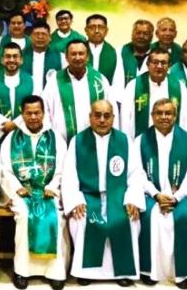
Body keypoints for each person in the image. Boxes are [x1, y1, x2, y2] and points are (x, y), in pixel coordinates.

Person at [61, 100, 145, 286]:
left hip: (118, 196)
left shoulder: (124, 141)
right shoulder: (78, 141)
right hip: (88, 196)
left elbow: (135, 174)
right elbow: (69, 176)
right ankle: (86, 271)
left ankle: (122, 271)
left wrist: (132, 199)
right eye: (97, 115)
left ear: (113, 118)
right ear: (90, 117)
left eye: (107, 116)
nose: (102, 120)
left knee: (127, 219)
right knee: (82, 219)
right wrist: (76, 200)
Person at [134, 99, 187, 288]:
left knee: (184, 217)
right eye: (159, 113)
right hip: (151, 195)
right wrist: (156, 195)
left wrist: (177, 197)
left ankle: (182, 272)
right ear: (152, 116)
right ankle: (150, 271)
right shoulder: (141, 140)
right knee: (150, 217)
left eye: (168, 113)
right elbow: (137, 173)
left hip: (181, 195)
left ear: (175, 116)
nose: (164, 117)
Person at [0, 95, 68, 289]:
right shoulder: (12, 139)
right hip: (22, 192)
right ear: (22, 114)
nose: (33, 117)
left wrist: (52, 187)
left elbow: (62, 169)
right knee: (24, 215)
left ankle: (55, 272)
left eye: (37, 112)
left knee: (57, 216)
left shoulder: (55, 139)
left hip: (49, 191)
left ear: (43, 113)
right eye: (28, 113)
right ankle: (22, 272)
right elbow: (5, 170)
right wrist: (16, 188)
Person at [42, 40, 117, 142]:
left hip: (94, 143)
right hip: (62, 143)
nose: (77, 58)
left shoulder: (100, 80)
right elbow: (45, 110)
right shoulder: (54, 81)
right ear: (66, 57)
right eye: (73, 54)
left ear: (87, 57)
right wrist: (52, 139)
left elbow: (111, 110)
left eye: (81, 54)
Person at [121, 47, 187, 137]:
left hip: (172, 141)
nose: (159, 66)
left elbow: (186, 119)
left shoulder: (179, 87)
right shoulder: (133, 86)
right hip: (142, 141)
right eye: (155, 62)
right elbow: (125, 119)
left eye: (163, 63)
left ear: (169, 65)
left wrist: (186, 140)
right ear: (148, 64)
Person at [0, 42, 34, 143]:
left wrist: (16, 124)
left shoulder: (32, 81)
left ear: (21, 60)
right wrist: (6, 125)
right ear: (2, 60)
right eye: (8, 56)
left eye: (15, 56)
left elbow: (35, 108)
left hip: (25, 134)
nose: (11, 60)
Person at [85, 14, 125, 88]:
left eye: (100, 27)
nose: (96, 31)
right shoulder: (78, 51)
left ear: (106, 31)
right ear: (86, 30)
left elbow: (117, 81)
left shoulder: (115, 53)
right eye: (92, 27)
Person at [23, 21, 64, 92]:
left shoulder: (61, 57)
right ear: (30, 37)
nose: (40, 37)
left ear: (50, 38)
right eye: (37, 34)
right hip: (26, 97)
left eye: (44, 34)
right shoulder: (20, 56)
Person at [119, 19, 154, 86]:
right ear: (132, 34)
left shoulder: (158, 54)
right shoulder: (119, 52)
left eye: (145, 34)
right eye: (138, 33)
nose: (141, 36)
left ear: (151, 36)